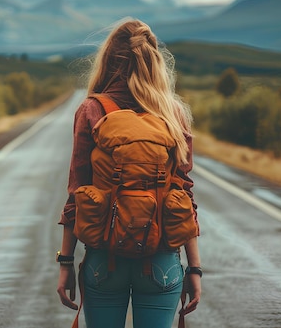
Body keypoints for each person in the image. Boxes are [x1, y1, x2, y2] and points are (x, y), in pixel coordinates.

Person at [56, 18, 201, 328]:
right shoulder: (173, 113)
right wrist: (195, 269)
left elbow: (76, 193)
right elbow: (184, 194)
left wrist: (66, 262)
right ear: (155, 62)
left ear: (108, 60)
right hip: (161, 258)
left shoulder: (91, 110)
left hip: (104, 260)